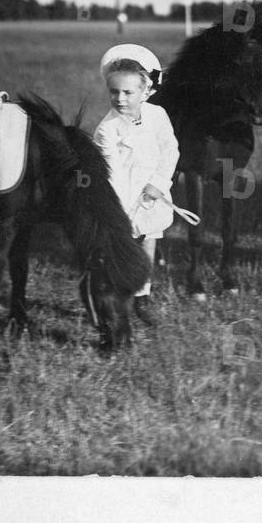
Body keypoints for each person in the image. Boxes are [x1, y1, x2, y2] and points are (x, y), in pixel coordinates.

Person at [94, 44, 179, 326]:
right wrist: (122, 212)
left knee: (148, 244)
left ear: (146, 92)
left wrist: (157, 184)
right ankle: (120, 300)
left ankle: (143, 297)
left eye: (128, 93)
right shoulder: (107, 129)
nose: (120, 99)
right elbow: (112, 174)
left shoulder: (157, 115)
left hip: (151, 195)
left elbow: (170, 151)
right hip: (122, 199)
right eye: (114, 92)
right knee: (122, 250)